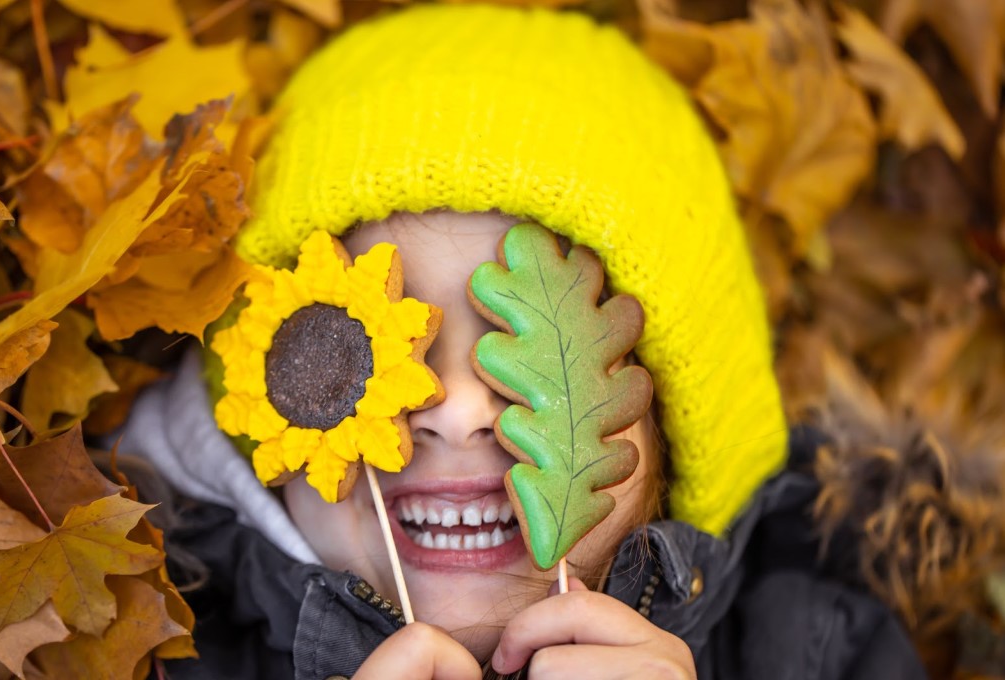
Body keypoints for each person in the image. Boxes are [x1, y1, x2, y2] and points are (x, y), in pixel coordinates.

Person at [119, 4, 927, 678]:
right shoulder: (143, 646)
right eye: (358, 344)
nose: (459, 410)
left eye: (534, 347)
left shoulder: (815, 651)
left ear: (680, 427)